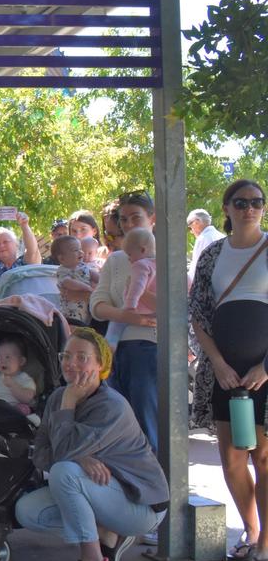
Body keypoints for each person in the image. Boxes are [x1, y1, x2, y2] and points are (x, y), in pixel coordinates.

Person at [15, 328, 168, 561]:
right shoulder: (57, 397)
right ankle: (107, 533)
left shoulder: (112, 406)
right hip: (102, 490)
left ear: (101, 364)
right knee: (28, 512)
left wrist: (70, 407)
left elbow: (63, 452)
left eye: (82, 357)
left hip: (140, 505)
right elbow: (40, 453)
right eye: (66, 356)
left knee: (65, 472)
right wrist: (79, 457)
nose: (71, 363)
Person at [189, 179, 268, 561]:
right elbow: (199, 313)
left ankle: (266, 544)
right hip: (224, 373)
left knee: (265, 457)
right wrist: (217, 363)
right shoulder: (212, 254)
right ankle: (250, 532)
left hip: (265, 373)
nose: (249, 208)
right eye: (241, 202)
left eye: (256, 202)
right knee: (233, 457)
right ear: (227, 207)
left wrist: (264, 367)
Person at [89, 190, 159, 456]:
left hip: (150, 348)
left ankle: (154, 485)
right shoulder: (117, 258)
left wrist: (140, 295)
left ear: (151, 219)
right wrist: (125, 315)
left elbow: (174, 307)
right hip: (116, 350)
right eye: (123, 218)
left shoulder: (165, 257)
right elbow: (97, 304)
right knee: (118, 419)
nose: (128, 224)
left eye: (135, 218)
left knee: (146, 419)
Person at [0, 209, 40, 305]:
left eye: (6, 242)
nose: (1, 246)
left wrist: (24, 226)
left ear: (16, 244)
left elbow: (33, 251)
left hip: (23, 316)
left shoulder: (24, 264)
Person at [52, 235, 98, 326]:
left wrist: (103, 281)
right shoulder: (63, 270)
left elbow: (94, 275)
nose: (81, 252)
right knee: (75, 328)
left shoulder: (83, 266)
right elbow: (68, 283)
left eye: (80, 249)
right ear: (62, 258)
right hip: (71, 312)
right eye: (76, 250)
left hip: (87, 308)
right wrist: (87, 288)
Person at [121, 228, 157, 317]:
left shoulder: (140, 265)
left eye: (129, 254)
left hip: (139, 309)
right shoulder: (158, 263)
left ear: (142, 250)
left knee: (115, 325)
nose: (129, 259)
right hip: (153, 310)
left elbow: (137, 286)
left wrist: (129, 306)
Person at [187, 209, 225, 285]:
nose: (191, 231)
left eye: (190, 227)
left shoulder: (203, 238)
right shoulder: (222, 236)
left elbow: (196, 268)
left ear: (196, 222)